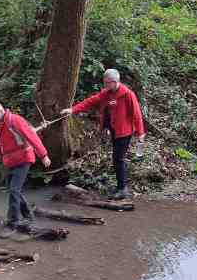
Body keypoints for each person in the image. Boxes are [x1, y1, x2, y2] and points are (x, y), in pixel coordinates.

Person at [61, 68, 145, 199]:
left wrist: (141, 133)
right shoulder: (107, 93)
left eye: (107, 83)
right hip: (114, 130)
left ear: (115, 81)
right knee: (117, 159)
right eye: (104, 83)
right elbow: (90, 101)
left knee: (118, 159)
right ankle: (121, 186)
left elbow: (137, 114)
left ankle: (122, 188)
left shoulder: (128, 94)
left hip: (124, 132)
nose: (105, 85)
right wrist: (72, 110)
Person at [0, 102, 51, 227]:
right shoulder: (1, 125)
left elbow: (31, 136)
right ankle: (28, 215)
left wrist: (43, 155)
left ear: (1, 110)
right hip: (11, 161)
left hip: (23, 159)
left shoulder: (15, 120)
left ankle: (13, 221)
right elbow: (4, 144)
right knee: (12, 189)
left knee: (14, 190)